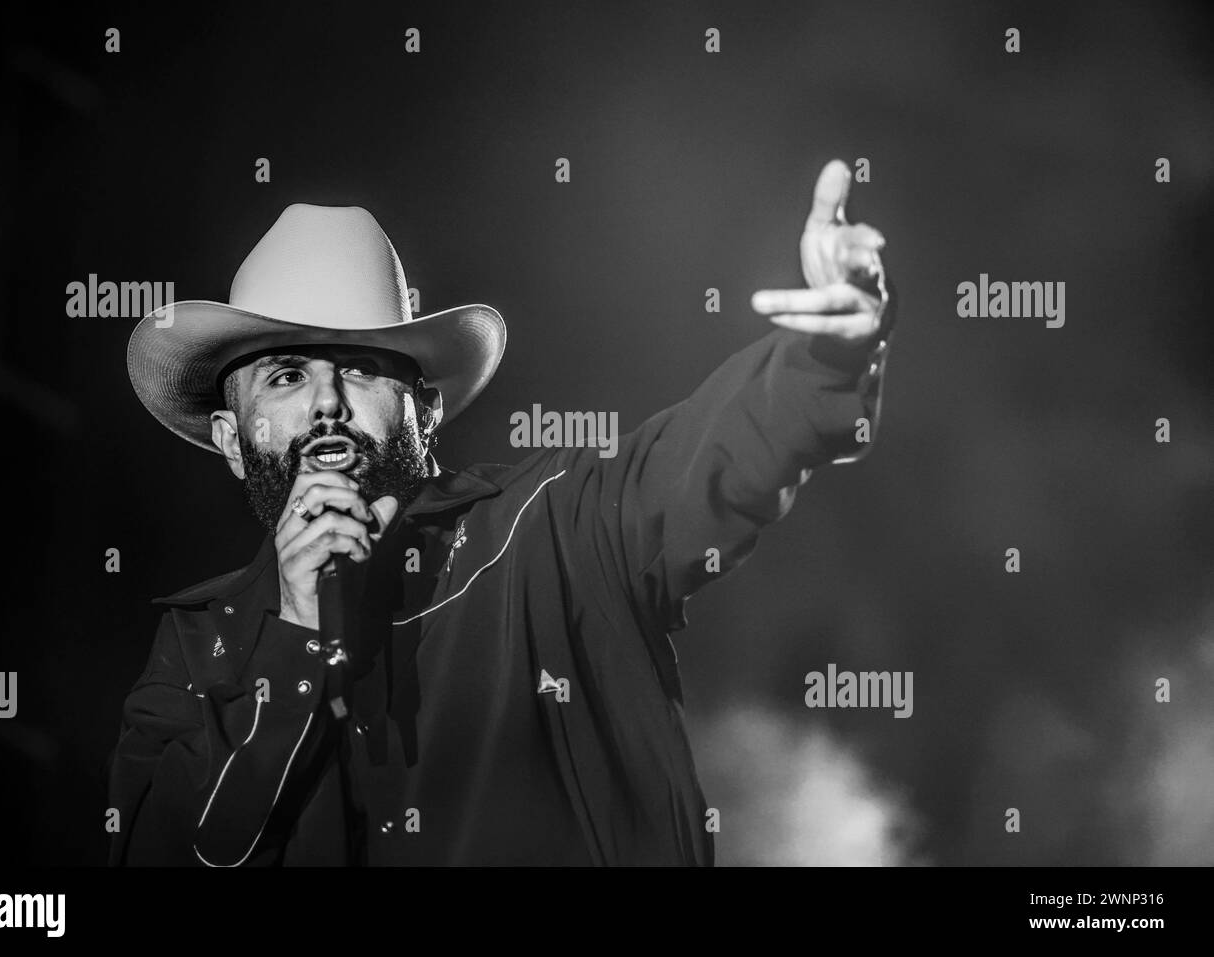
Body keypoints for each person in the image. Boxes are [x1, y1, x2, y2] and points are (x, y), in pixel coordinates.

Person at [108, 158, 894, 865]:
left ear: (424, 407)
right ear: (233, 439)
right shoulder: (196, 647)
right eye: (285, 375)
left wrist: (825, 360)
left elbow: (705, 460)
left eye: (360, 367)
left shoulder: (551, 528)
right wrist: (295, 641)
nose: (327, 405)